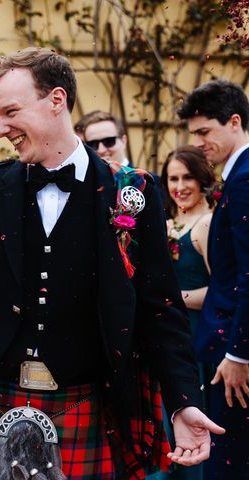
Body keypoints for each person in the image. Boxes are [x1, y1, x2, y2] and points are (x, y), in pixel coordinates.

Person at [0, 47, 224, 479]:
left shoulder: (132, 193)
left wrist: (184, 401)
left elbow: (160, 310)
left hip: (86, 403)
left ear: (57, 100)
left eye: (11, 111)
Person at [177, 79, 249, 479]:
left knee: (231, 468)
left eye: (205, 132)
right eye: (194, 134)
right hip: (228, 352)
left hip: (234, 360)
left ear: (234, 121)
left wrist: (240, 355)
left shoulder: (243, 180)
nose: (200, 142)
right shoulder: (238, 175)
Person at [156, 146, 216, 480]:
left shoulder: (207, 224)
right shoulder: (164, 224)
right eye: (173, 178)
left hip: (195, 338)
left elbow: (220, 292)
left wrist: (171, 297)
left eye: (187, 177)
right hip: (168, 337)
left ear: (203, 179)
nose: (179, 186)